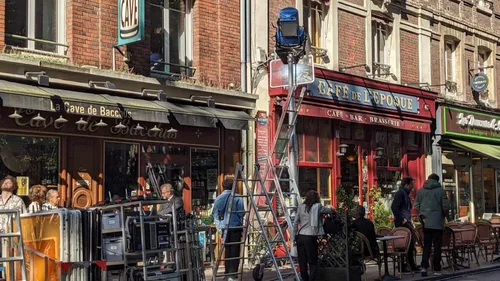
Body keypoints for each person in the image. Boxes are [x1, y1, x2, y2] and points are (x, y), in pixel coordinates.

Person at [414, 173, 450, 277]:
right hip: (438, 222)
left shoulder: (421, 191)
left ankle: (424, 267)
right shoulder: (441, 191)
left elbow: (416, 205)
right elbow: (446, 206)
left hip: (426, 222)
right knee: (437, 245)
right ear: (437, 180)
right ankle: (436, 268)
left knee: (427, 246)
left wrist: (422, 214)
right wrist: (443, 214)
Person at [293, 190, 334, 281]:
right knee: (313, 260)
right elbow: (329, 210)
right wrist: (332, 209)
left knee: (302, 261)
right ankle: (312, 279)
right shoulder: (318, 207)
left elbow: (295, 223)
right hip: (310, 237)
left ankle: (305, 279)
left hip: (300, 236)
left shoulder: (301, 207)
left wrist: (293, 237)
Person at [212, 179, 244, 281]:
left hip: (224, 228)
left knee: (227, 250)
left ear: (223, 186)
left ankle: (227, 272)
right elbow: (241, 213)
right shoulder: (238, 197)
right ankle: (232, 273)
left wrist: (219, 228)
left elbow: (215, 215)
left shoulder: (218, 198)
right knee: (235, 250)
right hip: (235, 227)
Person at [391, 176, 419, 272]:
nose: (412, 186)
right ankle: (406, 266)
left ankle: (408, 265)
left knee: (409, 244)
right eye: (411, 184)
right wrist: (402, 219)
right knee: (407, 244)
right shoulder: (400, 194)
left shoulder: (405, 194)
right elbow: (394, 207)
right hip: (403, 223)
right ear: (406, 185)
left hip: (406, 221)